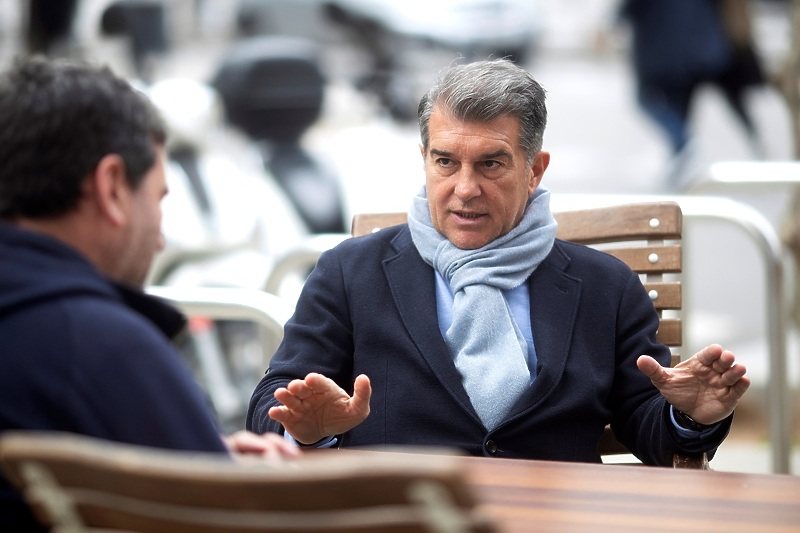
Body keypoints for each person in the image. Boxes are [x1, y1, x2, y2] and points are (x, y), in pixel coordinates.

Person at [247, 58, 750, 467]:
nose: (465, 188)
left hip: (555, 519)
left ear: (534, 170)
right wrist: (305, 431)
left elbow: (647, 423)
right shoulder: (350, 271)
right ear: (424, 158)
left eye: (491, 163)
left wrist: (691, 419)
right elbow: (273, 399)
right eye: (445, 162)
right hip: (401, 515)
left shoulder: (605, 286)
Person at [0, 56, 299, 531]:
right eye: (159, 199)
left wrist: (197, 452)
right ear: (112, 186)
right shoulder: (95, 345)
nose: (159, 240)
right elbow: (220, 518)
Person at [617, 0, 765, 189]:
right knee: (694, 102)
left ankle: (681, 143)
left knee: (647, 99)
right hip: (703, 48)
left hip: (666, 48)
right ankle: (682, 151)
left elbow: (631, 7)